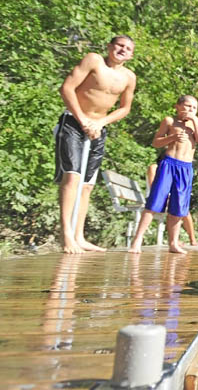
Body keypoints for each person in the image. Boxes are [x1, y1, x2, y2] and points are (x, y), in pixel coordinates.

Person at [54, 35, 137, 254]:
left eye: (127, 48)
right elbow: (67, 88)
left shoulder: (129, 77)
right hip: (73, 121)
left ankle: (79, 236)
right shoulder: (93, 60)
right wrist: (83, 120)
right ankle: (66, 237)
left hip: (98, 127)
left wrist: (100, 122)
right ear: (109, 46)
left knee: (88, 185)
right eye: (119, 45)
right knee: (72, 176)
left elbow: (124, 108)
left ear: (131, 55)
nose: (122, 50)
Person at [129, 95, 198, 254]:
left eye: (194, 107)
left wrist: (195, 122)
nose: (190, 110)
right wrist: (172, 137)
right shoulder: (170, 121)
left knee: (178, 207)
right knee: (154, 202)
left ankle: (173, 243)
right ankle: (137, 241)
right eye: (187, 106)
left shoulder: (197, 122)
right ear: (177, 106)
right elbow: (156, 142)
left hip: (185, 167)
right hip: (169, 164)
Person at [146, 151, 198, 246]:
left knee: (183, 209)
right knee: (176, 206)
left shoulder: (175, 171)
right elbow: (154, 187)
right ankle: (174, 240)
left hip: (170, 197)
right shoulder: (154, 168)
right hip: (156, 197)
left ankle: (191, 238)